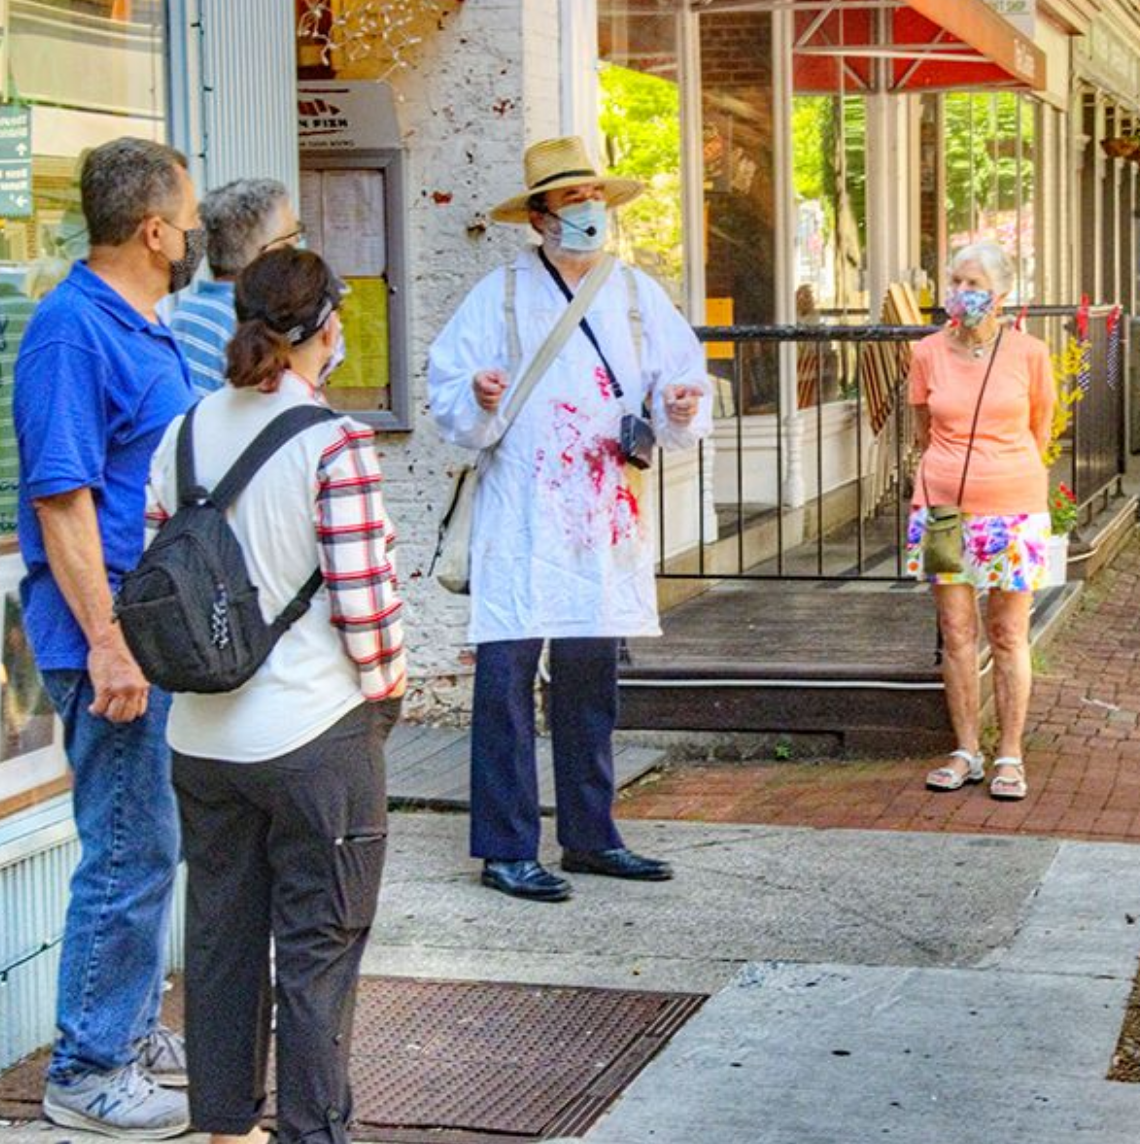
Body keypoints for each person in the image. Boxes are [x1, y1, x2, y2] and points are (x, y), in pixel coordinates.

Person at [149, 247, 406, 1144]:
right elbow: (364, 601)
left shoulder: (183, 434)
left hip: (200, 736)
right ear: (326, 329)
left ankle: (227, 1129)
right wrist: (385, 689)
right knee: (318, 948)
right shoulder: (334, 443)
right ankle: (313, 1132)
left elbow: (159, 575)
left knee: (219, 941)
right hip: (313, 731)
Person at [428, 135, 711, 903]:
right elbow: (449, 386)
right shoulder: (500, 295)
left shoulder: (634, 293)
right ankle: (506, 847)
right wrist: (478, 396)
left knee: (590, 682)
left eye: (593, 196)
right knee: (505, 683)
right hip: (521, 512)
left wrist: (679, 404)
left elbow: (681, 382)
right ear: (540, 216)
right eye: (570, 198)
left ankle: (591, 834)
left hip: (599, 514)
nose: (587, 209)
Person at [14, 136, 202, 1138]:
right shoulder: (71, 332)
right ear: (156, 230)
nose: (199, 234)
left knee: (150, 844)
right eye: (191, 218)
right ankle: (88, 1068)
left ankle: (125, 1030)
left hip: (148, 629)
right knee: (127, 850)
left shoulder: (141, 326)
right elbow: (63, 501)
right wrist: (109, 641)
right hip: (111, 636)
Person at [906, 241, 1055, 802]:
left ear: (1001, 293)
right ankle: (966, 749)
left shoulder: (1030, 353)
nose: (962, 293)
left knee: (1009, 633)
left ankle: (1010, 753)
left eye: (973, 284)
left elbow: (1040, 428)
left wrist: (1000, 469)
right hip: (943, 508)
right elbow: (923, 429)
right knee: (957, 631)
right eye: (956, 282)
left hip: (1013, 506)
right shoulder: (927, 353)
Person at [170, 178, 303, 398]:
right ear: (266, 253)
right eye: (292, 238)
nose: (297, 247)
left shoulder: (188, 309)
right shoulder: (250, 325)